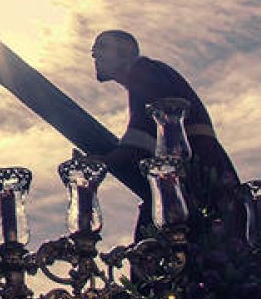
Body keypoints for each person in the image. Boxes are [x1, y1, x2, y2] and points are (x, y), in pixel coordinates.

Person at [91, 30, 242, 240]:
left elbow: (143, 131)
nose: (94, 54)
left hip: (193, 166)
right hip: (194, 163)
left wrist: (107, 160)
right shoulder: (147, 73)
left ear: (124, 50)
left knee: (162, 241)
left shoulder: (145, 71)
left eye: (102, 47)